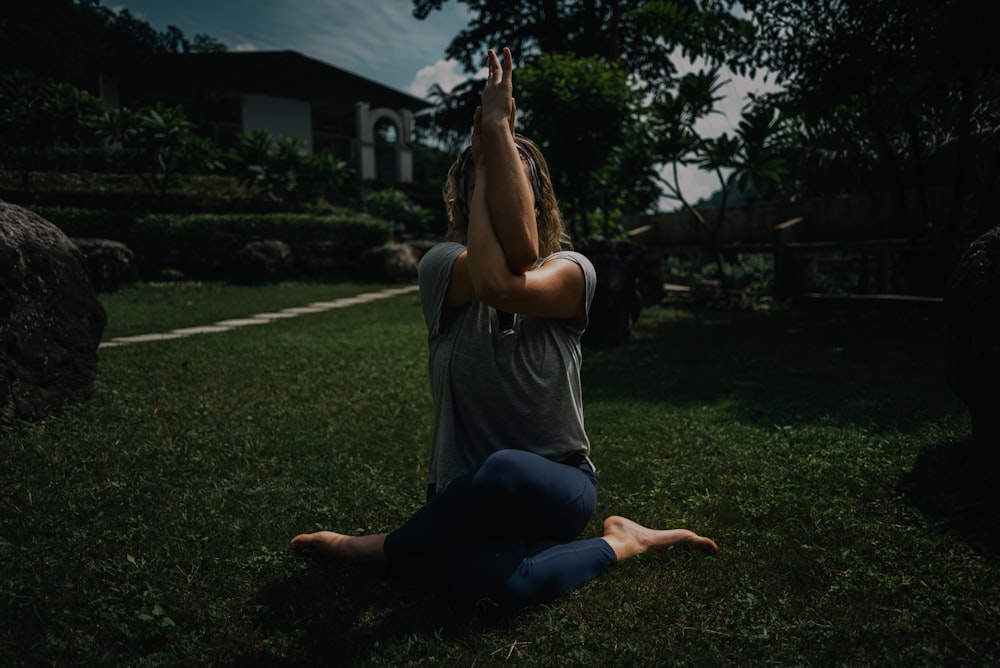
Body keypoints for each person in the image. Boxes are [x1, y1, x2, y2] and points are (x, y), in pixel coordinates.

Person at [291, 47, 717, 608]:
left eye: (512, 177)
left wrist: (494, 132)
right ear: (467, 195)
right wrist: (491, 148)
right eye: (482, 178)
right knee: (487, 585)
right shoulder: (441, 266)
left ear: (537, 197)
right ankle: (624, 542)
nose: (493, 187)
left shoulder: (572, 271)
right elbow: (492, 274)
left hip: (555, 488)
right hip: (464, 491)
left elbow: (511, 272)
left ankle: (379, 548)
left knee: (506, 470)